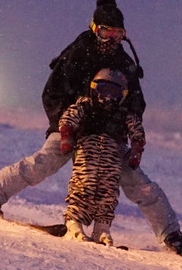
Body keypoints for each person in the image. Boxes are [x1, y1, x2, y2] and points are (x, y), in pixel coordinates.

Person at [0, 0, 182, 256]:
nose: (112, 40)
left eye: (118, 35)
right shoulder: (77, 54)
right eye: (107, 33)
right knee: (45, 161)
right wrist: (66, 125)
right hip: (74, 127)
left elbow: (136, 104)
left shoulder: (124, 63)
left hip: (110, 136)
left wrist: (131, 136)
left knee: (137, 182)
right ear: (94, 28)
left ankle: (171, 235)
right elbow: (51, 94)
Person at [57, 68, 144, 245]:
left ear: (122, 95)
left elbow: (137, 132)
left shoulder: (123, 114)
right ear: (95, 88)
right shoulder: (85, 106)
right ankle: (74, 223)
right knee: (83, 185)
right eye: (104, 90)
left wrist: (136, 150)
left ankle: (102, 227)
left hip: (112, 153)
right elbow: (68, 119)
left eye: (114, 92)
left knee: (108, 189)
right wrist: (66, 137)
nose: (108, 97)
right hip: (87, 149)